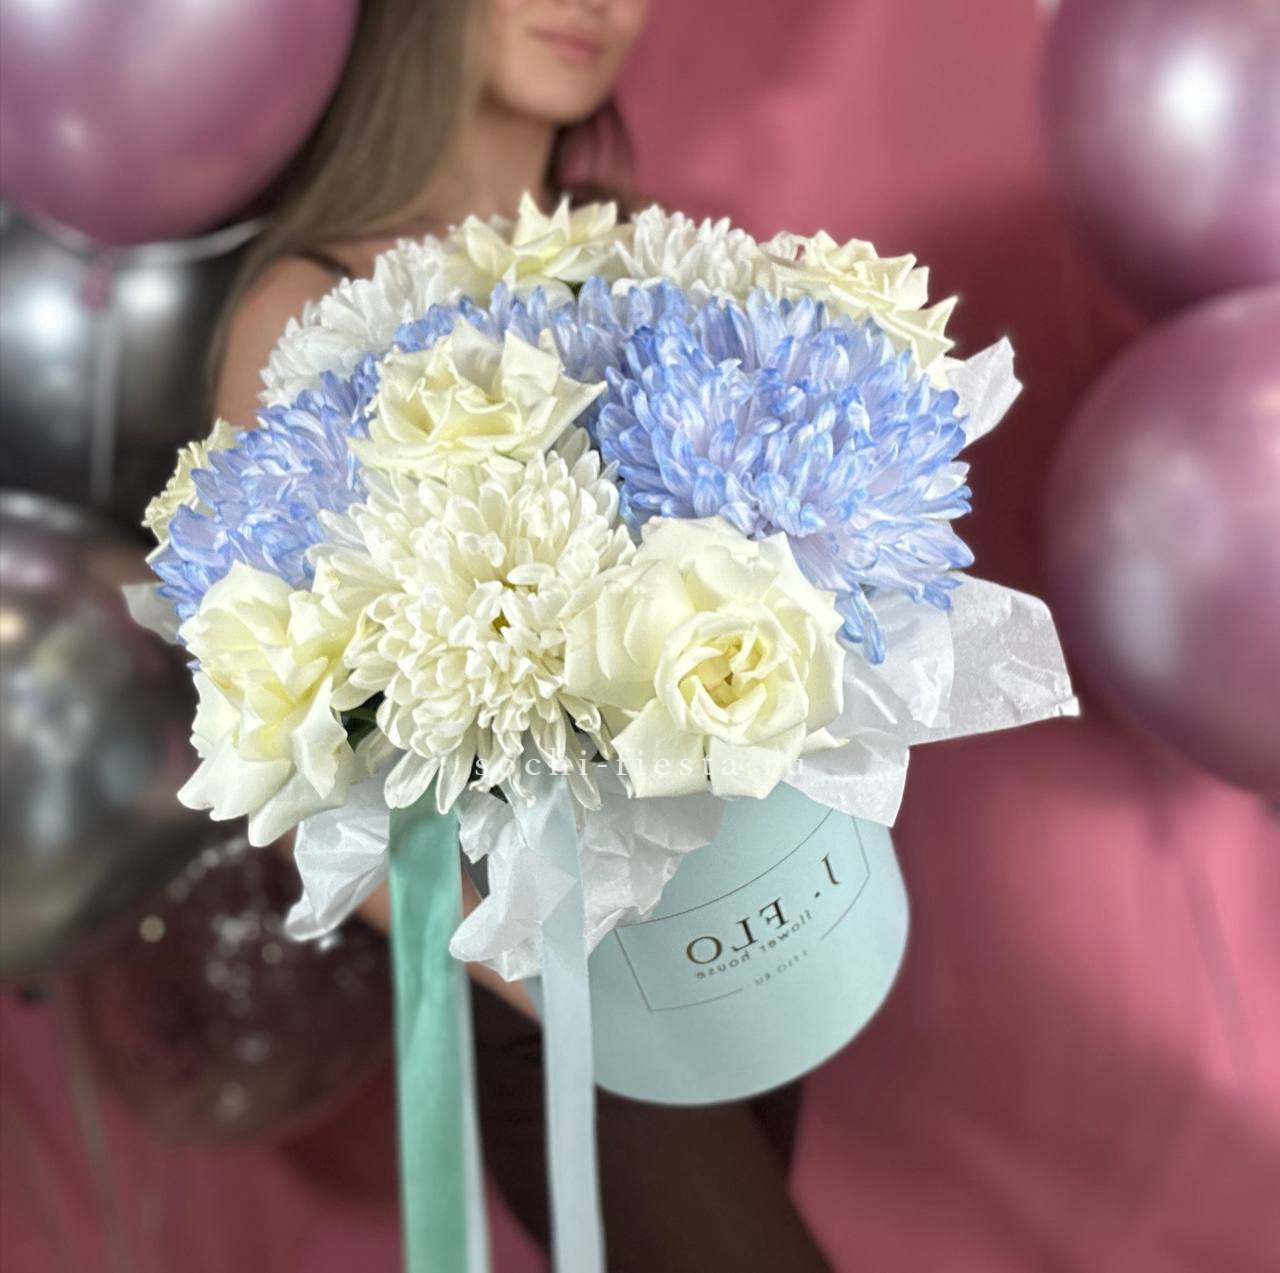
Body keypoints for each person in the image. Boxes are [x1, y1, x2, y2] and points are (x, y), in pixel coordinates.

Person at [212, 3, 831, 1270]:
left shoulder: (650, 256)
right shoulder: (308, 306)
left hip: (741, 937)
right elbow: (274, 757)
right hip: (554, 1004)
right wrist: (545, 977)